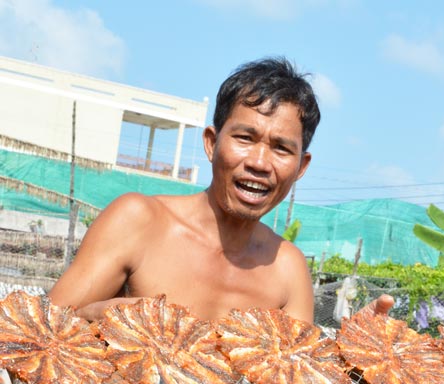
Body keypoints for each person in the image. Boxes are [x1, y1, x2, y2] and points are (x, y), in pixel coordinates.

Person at [49, 57, 393, 324]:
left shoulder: (286, 268)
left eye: (281, 148)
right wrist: (95, 318)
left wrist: (350, 362)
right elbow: (34, 337)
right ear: (212, 143)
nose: (260, 162)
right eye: (245, 138)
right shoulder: (139, 221)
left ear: (301, 168)